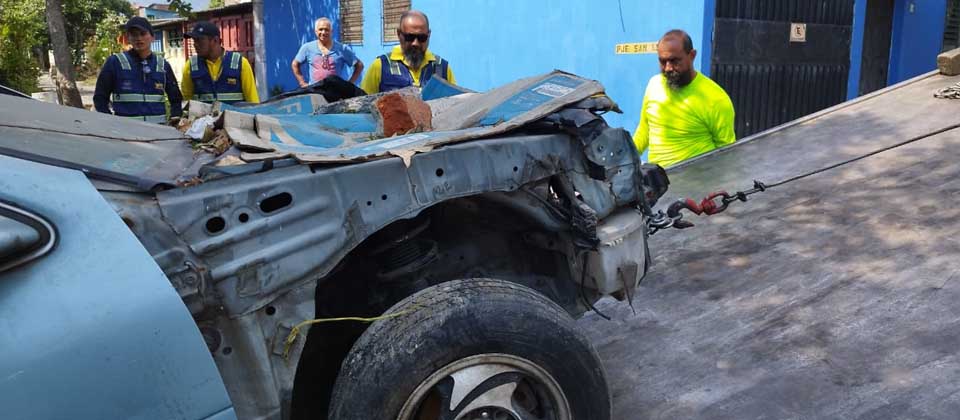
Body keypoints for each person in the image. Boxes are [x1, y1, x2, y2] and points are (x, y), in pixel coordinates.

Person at [633, 30, 736, 168]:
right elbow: (644, 130)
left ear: (692, 55)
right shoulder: (654, 85)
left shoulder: (716, 99)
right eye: (663, 61)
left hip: (696, 179)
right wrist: (623, 160)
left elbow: (726, 153)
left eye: (674, 61)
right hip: (657, 178)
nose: (668, 68)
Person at [93, 16, 182, 124]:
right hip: (126, 131)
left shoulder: (163, 65)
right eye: (134, 35)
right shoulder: (115, 63)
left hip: (157, 130)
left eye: (143, 34)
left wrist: (175, 120)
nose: (139, 38)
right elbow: (100, 98)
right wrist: (111, 123)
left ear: (152, 37)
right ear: (128, 38)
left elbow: (176, 99)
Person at [360, 10, 455, 94]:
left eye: (422, 38)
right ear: (399, 34)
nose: (415, 43)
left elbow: (456, 104)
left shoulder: (442, 68)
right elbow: (362, 104)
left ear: (429, 34)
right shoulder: (380, 66)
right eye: (410, 37)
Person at [181, 21, 259, 104]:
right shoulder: (191, 65)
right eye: (194, 40)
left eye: (199, 40)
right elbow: (186, 102)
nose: (195, 44)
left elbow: (253, 102)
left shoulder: (240, 63)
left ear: (215, 40)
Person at [292, 17, 364, 87]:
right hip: (314, 91)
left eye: (326, 30)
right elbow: (295, 64)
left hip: (335, 91)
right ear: (316, 31)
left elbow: (359, 65)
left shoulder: (342, 48)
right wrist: (302, 83)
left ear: (331, 31)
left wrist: (349, 84)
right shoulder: (307, 48)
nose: (323, 32)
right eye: (320, 29)